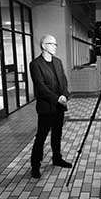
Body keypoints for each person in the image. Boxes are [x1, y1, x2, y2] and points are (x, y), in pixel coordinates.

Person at [29, 34, 72, 179]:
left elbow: (64, 81)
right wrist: (57, 98)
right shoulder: (35, 64)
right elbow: (40, 87)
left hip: (59, 106)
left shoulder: (58, 62)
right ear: (43, 45)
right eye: (52, 44)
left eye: (55, 44)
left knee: (57, 134)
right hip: (46, 107)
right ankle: (35, 165)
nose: (55, 46)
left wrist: (65, 95)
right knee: (41, 137)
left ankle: (57, 158)